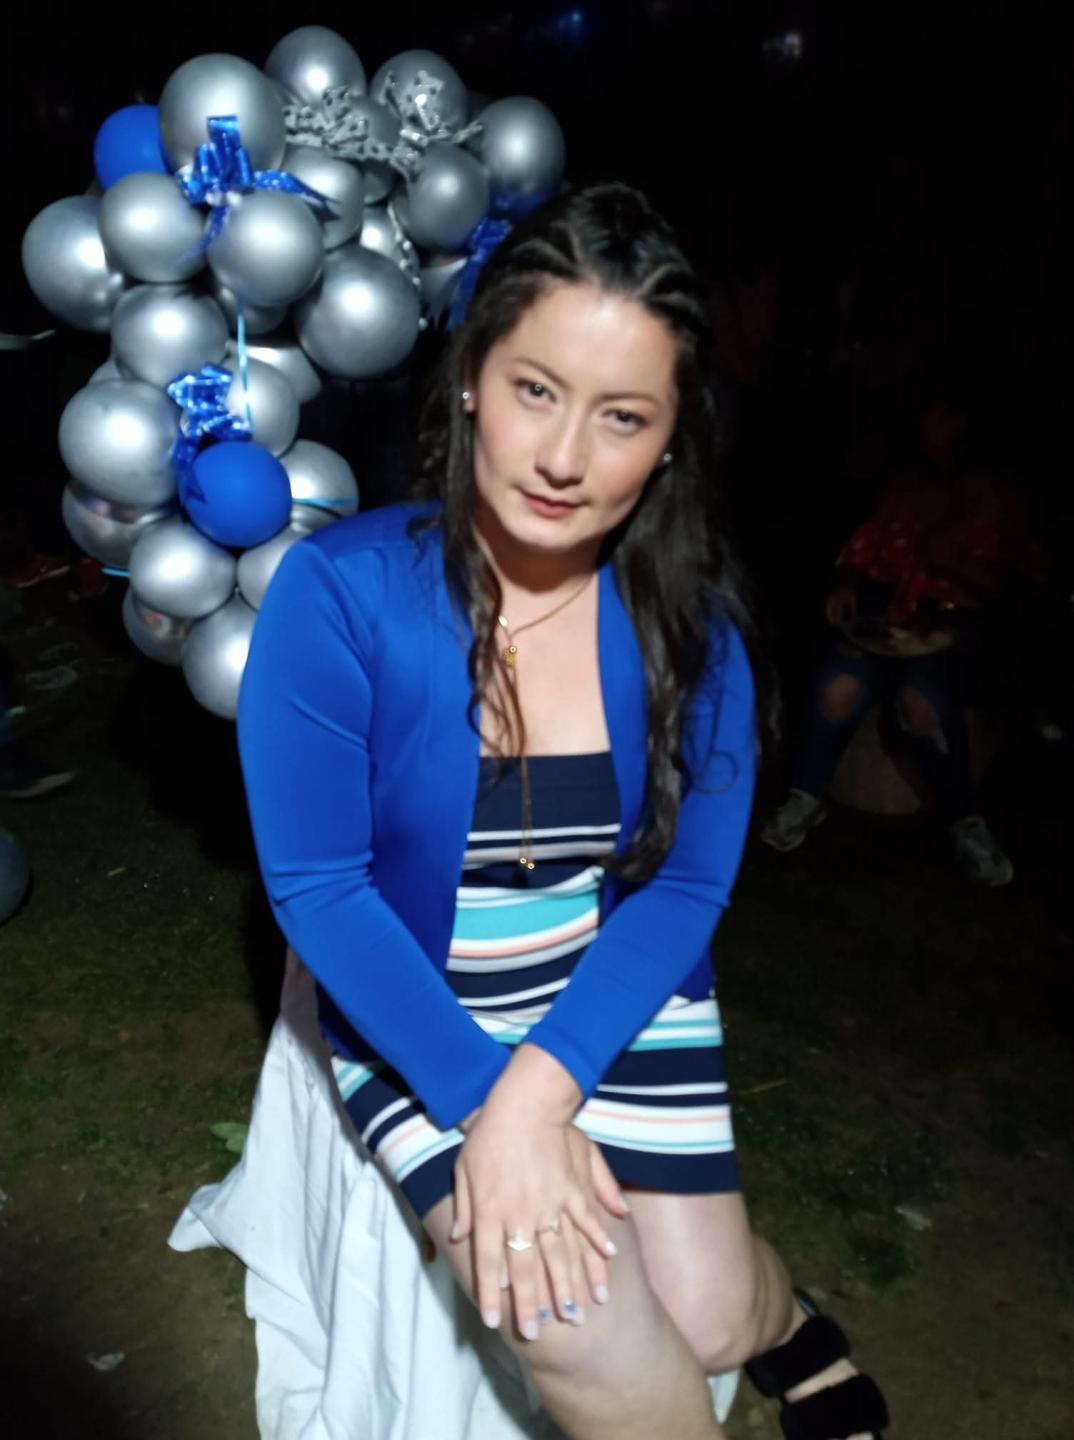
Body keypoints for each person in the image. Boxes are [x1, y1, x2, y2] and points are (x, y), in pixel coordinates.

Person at [200, 185, 889, 1440]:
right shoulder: (340, 595)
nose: (565, 457)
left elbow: (687, 885)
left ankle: (785, 1322)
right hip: (417, 1000)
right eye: (535, 390)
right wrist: (483, 1096)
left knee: (713, 1320)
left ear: (670, 441)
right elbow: (320, 890)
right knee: (586, 1338)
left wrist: (540, 1091)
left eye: (622, 417)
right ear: (472, 377)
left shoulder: (693, 626)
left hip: (604, 985)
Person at [762, 380, 1051, 886]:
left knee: (923, 701)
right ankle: (806, 795)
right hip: (884, 621)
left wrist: (957, 567)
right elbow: (861, 552)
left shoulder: (1001, 500)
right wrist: (845, 584)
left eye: (941, 417)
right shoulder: (910, 487)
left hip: (951, 630)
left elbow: (1024, 593)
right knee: (837, 686)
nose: (928, 425)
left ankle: (966, 823)